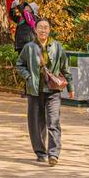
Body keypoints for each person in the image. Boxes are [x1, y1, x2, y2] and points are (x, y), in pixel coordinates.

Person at [16, 17, 74, 166]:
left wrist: (70, 87)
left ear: (49, 30)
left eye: (46, 27)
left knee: (53, 122)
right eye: (40, 27)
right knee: (36, 124)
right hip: (34, 90)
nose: (43, 30)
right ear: (35, 29)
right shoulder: (29, 47)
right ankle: (40, 152)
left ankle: (53, 154)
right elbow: (20, 64)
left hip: (53, 91)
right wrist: (28, 76)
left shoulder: (57, 47)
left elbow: (65, 68)